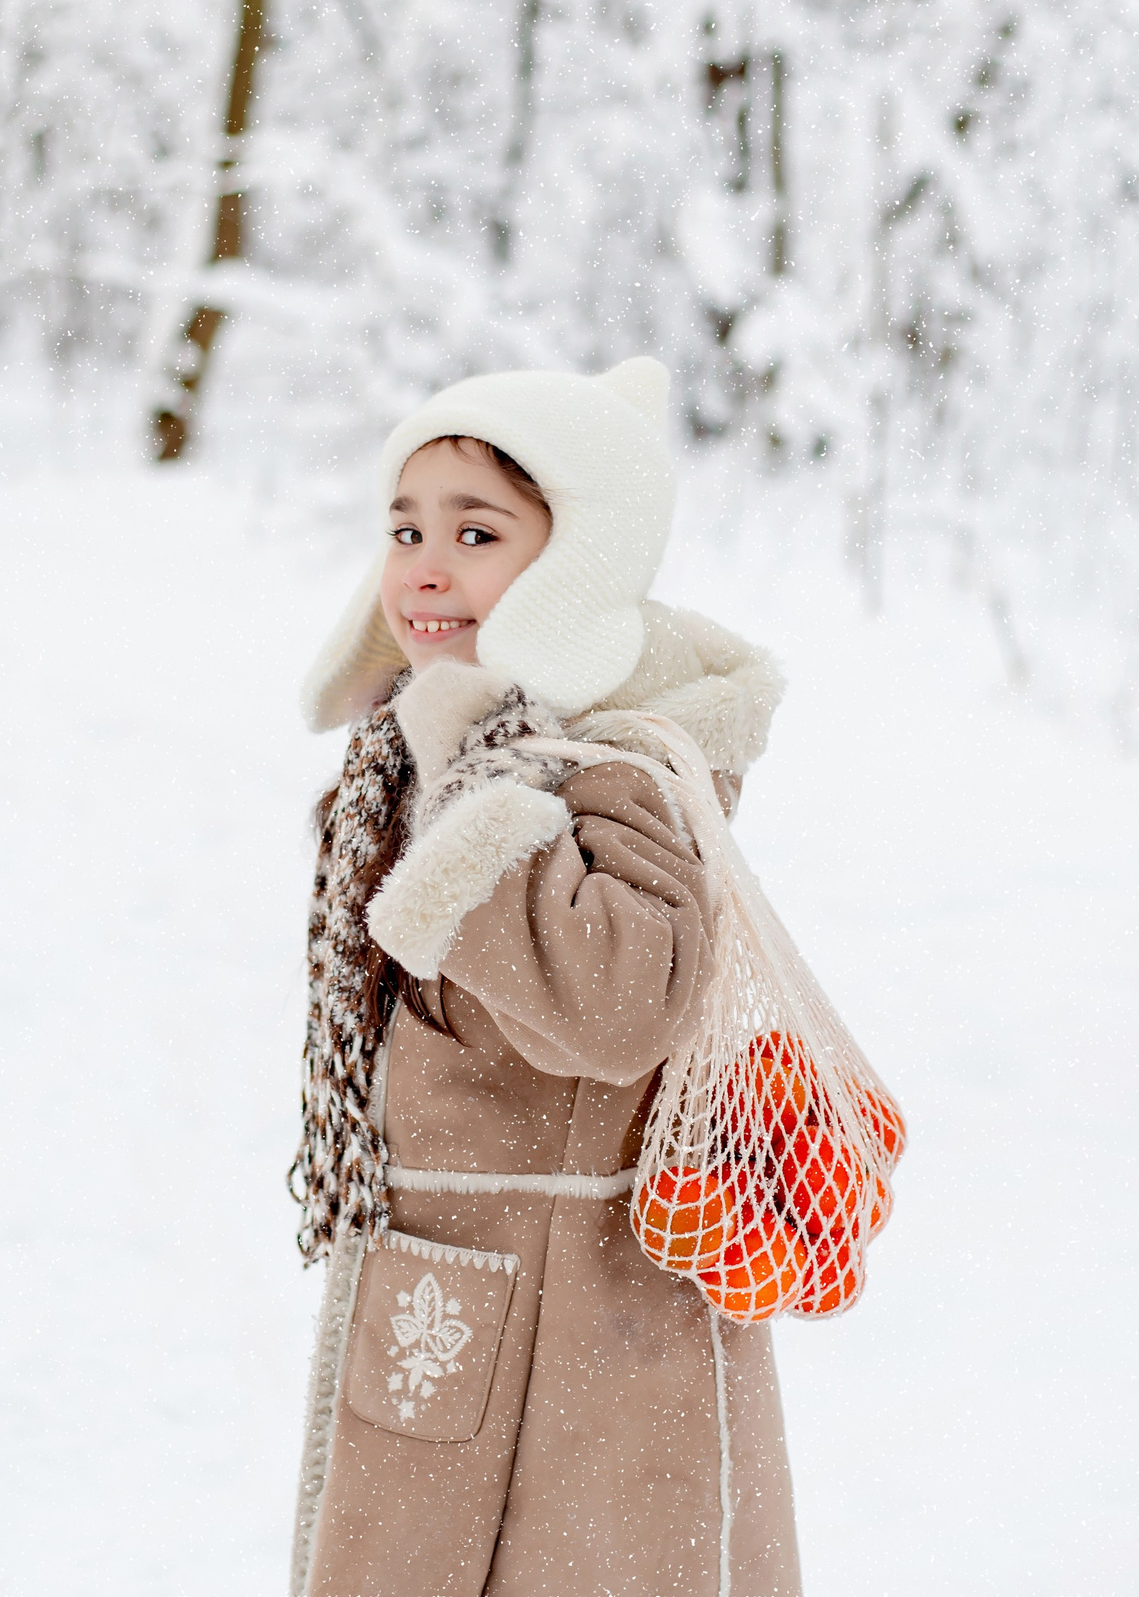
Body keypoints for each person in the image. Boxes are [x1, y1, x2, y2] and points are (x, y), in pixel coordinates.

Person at [287, 357, 799, 1596]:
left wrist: (474, 801)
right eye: (406, 527)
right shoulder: (420, 753)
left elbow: (624, 999)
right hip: (442, 1295)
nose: (425, 564)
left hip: (592, 1337)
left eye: (477, 532)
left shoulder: (616, 763)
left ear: (574, 560)